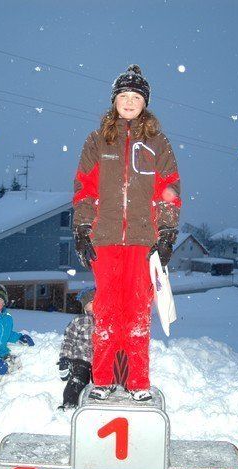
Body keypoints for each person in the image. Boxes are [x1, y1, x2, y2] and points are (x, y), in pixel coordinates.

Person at [72, 64, 181, 402]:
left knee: (136, 312)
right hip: (104, 239)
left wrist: (167, 232)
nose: (130, 102)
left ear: (145, 102)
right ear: (114, 100)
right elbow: (85, 188)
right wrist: (81, 227)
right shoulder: (97, 140)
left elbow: (169, 189)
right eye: (124, 96)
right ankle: (103, 379)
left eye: (136, 97)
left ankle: (137, 382)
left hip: (142, 240)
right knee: (106, 310)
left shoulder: (157, 142)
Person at [57, 287, 95, 410]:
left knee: (102, 380)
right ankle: (70, 403)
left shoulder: (106, 321)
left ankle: (98, 402)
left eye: (97, 301)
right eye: (91, 302)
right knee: (78, 378)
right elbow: (68, 340)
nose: (95, 304)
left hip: (100, 361)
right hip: (81, 359)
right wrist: (64, 358)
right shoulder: (79, 321)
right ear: (85, 307)